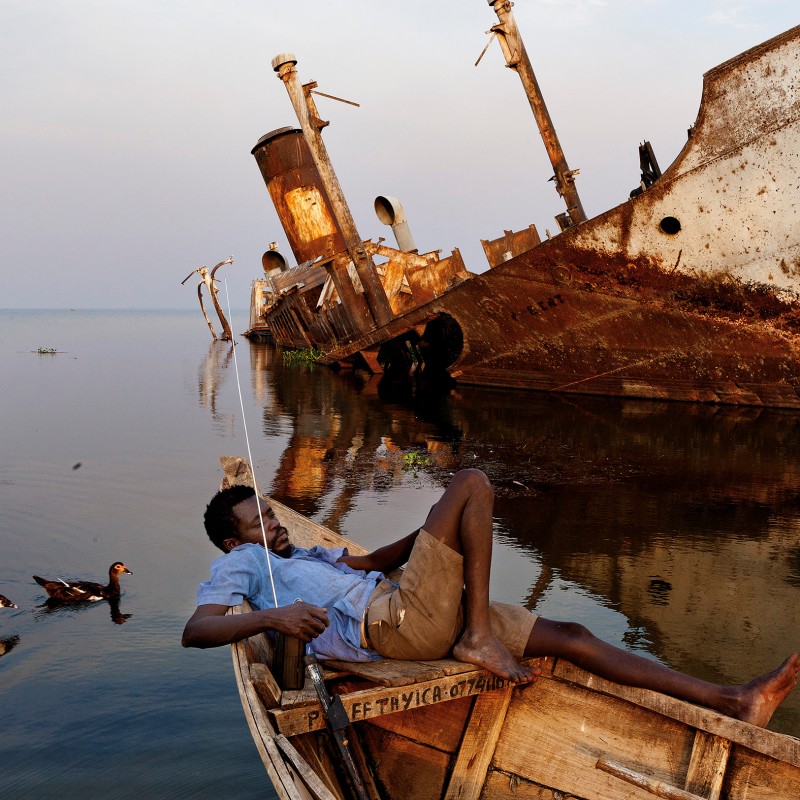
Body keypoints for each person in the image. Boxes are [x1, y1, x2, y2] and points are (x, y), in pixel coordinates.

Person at [182, 468, 799, 727]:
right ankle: (478, 636)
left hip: (414, 606)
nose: (275, 524)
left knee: (572, 637)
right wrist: (274, 616)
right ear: (234, 541)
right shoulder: (242, 565)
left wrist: (436, 524)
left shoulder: (305, 555)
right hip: (394, 625)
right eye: (260, 522)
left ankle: (733, 699)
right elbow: (197, 630)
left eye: (272, 513)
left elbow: (375, 561)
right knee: (473, 481)